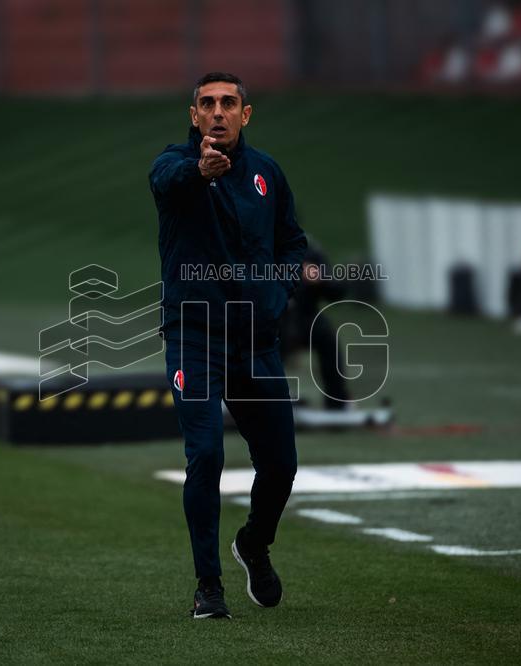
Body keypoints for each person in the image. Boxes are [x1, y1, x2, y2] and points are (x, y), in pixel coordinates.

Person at [149, 72, 307, 619]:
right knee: (207, 452)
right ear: (194, 116)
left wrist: (279, 290)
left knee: (282, 464)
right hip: (193, 336)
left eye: (229, 103)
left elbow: (292, 242)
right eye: (208, 104)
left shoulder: (267, 173)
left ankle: (253, 545)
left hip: (254, 339)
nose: (218, 112)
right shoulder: (174, 165)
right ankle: (208, 585)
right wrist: (199, 171)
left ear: (246, 113)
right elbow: (168, 183)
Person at [280, 238, 350, 409]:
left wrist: (320, 279)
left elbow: (336, 291)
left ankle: (337, 401)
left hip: (304, 318)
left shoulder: (308, 252)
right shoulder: (258, 248)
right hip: (268, 319)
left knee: (327, 337)